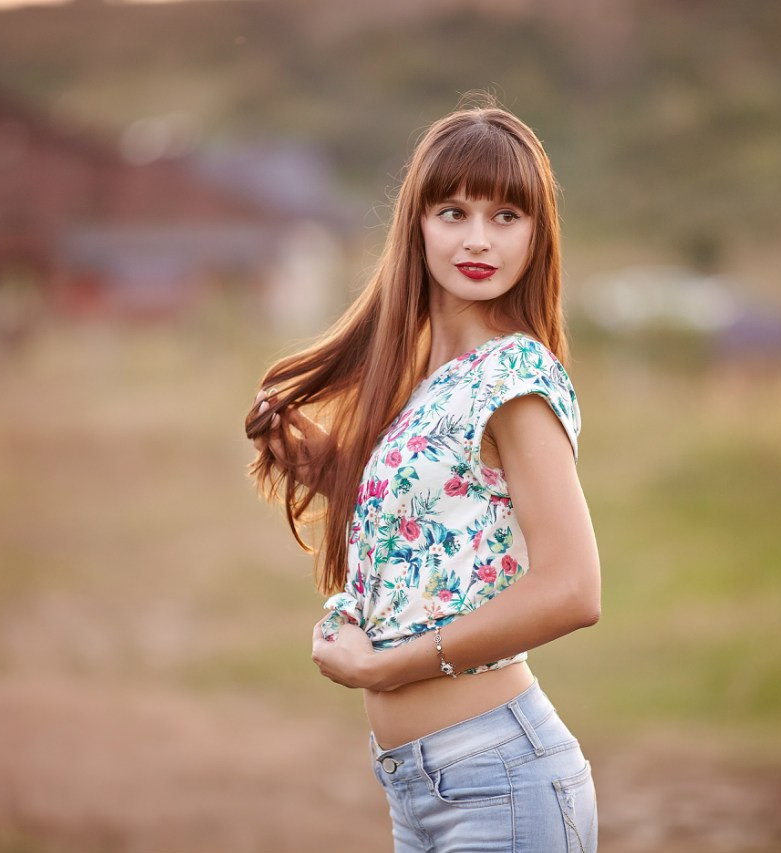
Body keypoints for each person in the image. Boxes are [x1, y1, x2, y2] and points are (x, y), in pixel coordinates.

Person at [245, 98, 601, 852]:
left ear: (539, 235)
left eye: (507, 216)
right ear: (417, 223)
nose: (479, 239)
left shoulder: (516, 376)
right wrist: (320, 464)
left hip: (499, 782)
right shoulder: (434, 378)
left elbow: (574, 588)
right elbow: (437, 529)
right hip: (423, 787)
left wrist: (387, 667)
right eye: (453, 211)